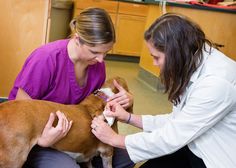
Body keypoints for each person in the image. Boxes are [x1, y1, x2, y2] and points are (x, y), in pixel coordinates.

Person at [91, 13, 236, 168]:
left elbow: (173, 136)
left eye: (156, 57)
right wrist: (128, 117)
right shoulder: (192, 58)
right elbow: (177, 120)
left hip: (214, 158)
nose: (154, 63)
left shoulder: (216, 83)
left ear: (175, 54)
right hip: (194, 144)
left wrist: (115, 139)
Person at [9, 7, 135, 168]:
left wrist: (124, 101)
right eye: (94, 51)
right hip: (35, 137)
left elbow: (93, 107)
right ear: (77, 39)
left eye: (106, 53)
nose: (101, 59)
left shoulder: (97, 66)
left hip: (74, 135)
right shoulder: (46, 58)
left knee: (129, 156)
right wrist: (42, 140)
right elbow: (20, 111)